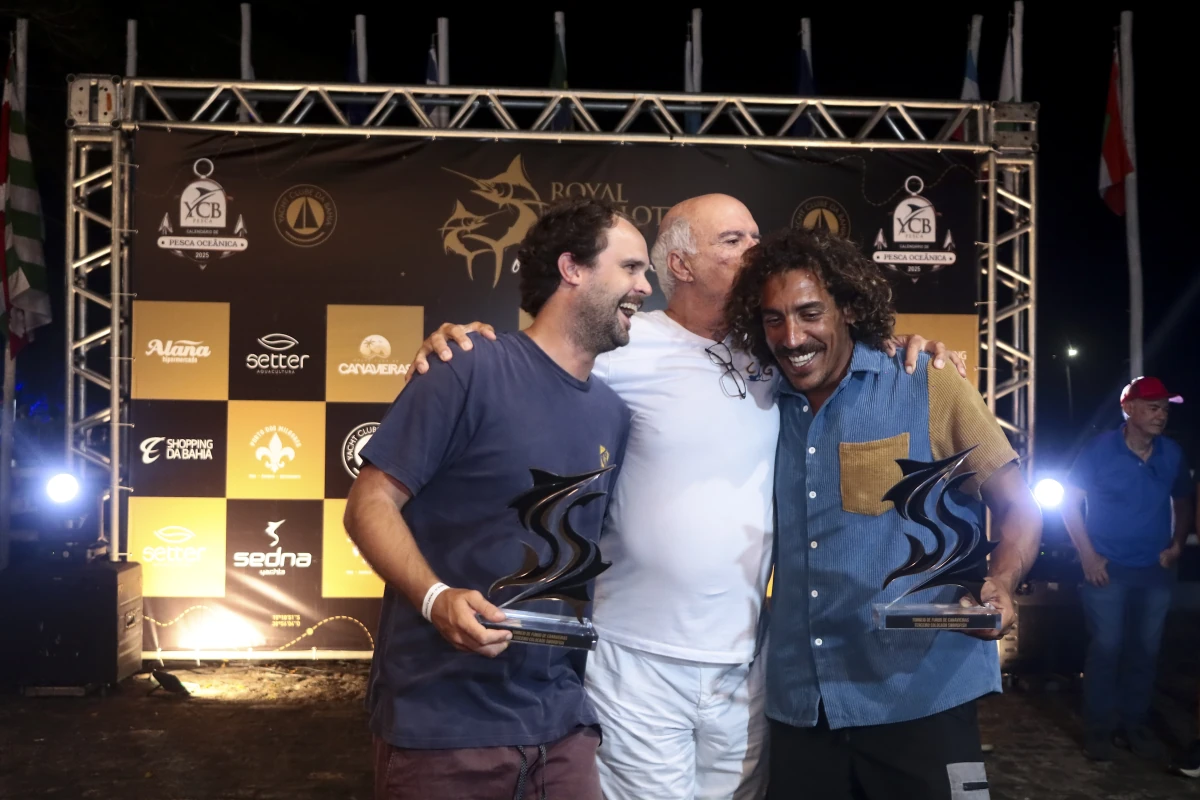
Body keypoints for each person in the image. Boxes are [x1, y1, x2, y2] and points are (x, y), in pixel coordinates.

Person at [409, 195, 967, 800]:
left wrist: (906, 345)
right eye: (733, 239)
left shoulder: (778, 351)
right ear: (679, 263)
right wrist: (461, 343)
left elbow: (840, 347)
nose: (754, 249)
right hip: (635, 660)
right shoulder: (622, 346)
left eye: (756, 234)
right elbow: (532, 363)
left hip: (746, 666)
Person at [344, 197, 652, 800]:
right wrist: (435, 599)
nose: (646, 287)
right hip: (443, 725)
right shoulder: (466, 367)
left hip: (562, 725)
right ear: (572, 268)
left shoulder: (613, 414)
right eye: (631, 268)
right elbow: (368, 505)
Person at [724, 226, 1042, 800]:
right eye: (774, 319)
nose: (791, 337)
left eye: (810, 313)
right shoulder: (759, 403)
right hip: (803, 704)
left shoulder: (927, 383)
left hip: (922, 695)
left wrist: (1003, 580)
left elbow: (1018, 503)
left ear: (848, 307)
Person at [1061, 376, 1194, 762]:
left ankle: (1134, 726)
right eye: (1153, 407)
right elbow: (1069, 503)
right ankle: (1099, 731)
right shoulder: (1099, 450)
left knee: (1145, 651)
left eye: (1165, 409)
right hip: (1108, 568)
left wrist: (1177, 545)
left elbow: (1183, 502)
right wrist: (1088, 556)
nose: (1161, 415)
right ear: (1128, 409)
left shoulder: (1172, 453)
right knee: (1107, 647)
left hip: (1155, 570)